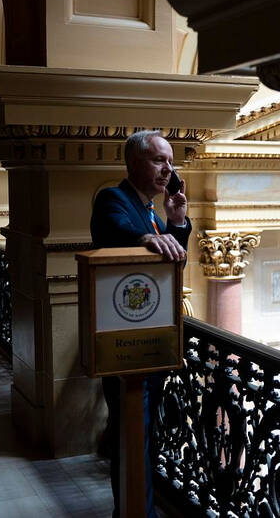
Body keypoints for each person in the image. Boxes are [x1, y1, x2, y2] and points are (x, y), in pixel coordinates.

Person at [90, 130, 190, 518]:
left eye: (171, 162)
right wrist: (146, 236)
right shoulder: (113, 199)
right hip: (125, 341)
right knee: (130, 437)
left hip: (152, 339)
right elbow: (113, 230)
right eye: (159, 160)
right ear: (134, 163)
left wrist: (175, 221)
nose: (169, 170)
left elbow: (172, 259)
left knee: (144, 437)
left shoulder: (151, 210)